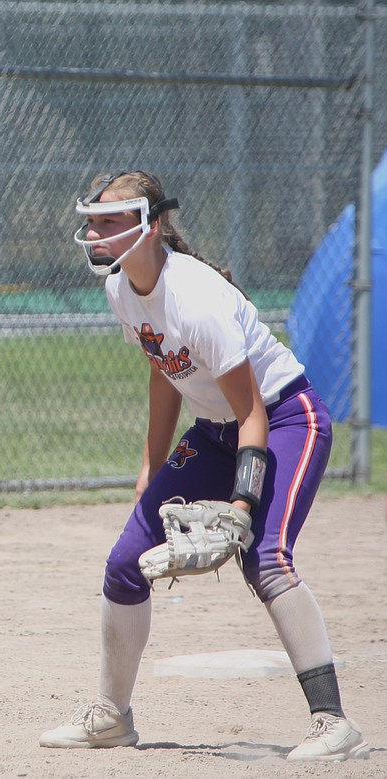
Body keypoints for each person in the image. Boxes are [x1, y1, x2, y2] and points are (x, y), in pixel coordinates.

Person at [38, 170, 370, 761]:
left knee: (264, 558)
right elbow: (164, 370)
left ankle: (333, 722)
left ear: (154, 224)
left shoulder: (196, 297)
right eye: (92, 221)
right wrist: (152, 467)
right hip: (215, 433)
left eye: (111, 221)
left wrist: (241, 504)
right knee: (124, 562)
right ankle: (113, 716)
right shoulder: (121, 289)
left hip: (286, 418)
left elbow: (253, 418)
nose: (96, 232)